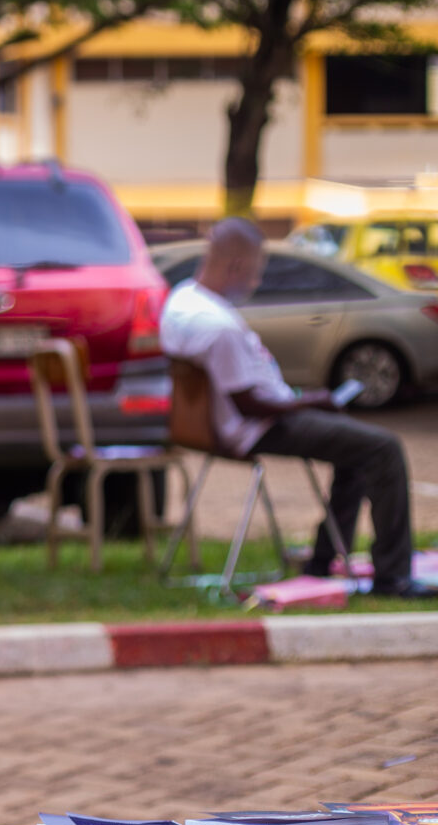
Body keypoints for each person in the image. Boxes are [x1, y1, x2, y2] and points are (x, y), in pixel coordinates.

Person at [160, 216, 415, 593]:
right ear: (236, 266)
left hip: (238, 421)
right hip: (257, 428)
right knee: (384, 448)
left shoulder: (183, 300)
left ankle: (324, 561)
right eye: (255, 272)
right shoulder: (217, 327)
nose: (256, 281)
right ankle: (393, 577)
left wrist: (298, 399)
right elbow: (250, 405)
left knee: (358, 449)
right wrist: (312, 401)